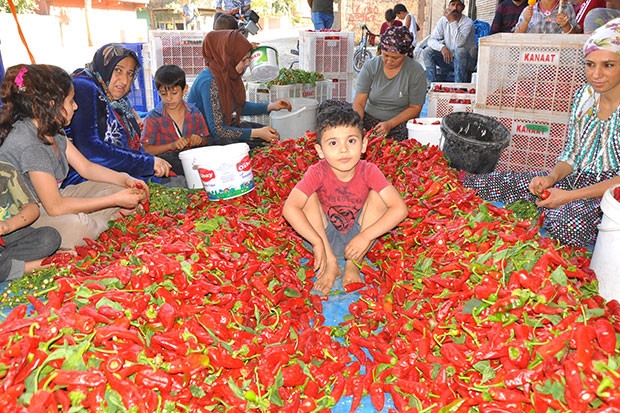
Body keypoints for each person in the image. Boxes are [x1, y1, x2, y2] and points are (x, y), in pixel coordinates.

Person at [462, 18, 620, 248]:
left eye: (608, 65)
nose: (596, 74)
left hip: (611, 193)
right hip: (577, 178)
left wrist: (568, 197)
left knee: (566, 222)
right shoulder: (585, 97)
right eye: (589, 64)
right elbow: (572, 153)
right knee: (491, 183)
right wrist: (551, 178)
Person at [0, 64, 149, 250]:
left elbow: (86, 167)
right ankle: (101, 222)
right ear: (53, 105)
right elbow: (55, 207)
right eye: (71, 101)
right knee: (78, 227)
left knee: (115, 187)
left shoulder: (52, 129)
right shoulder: (30, 144)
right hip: (27, 216)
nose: (76, 106)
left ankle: (100, 221)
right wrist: (115, 201)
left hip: (54, 199)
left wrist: (125, 179)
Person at [282, 105, 408, 295]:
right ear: (320, 150)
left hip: (360, 239)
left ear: (364, 145)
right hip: (324, 237)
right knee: (307, 198)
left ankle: (353, 264)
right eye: (333, 143)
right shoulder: (317, 171)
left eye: (351, 140)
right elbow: (289, 208)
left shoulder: (369, 171)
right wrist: (317, 243)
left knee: (379, 196)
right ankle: (331, 262)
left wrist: (365, 236)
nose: (343, 149)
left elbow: (400, 209)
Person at [66, 44, 173, 188]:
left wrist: (149, 161)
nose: (124, 81)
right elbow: (90, 150)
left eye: (130, 74)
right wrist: (147, 162)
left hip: (117, 173)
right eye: (118, 70)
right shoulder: (84, 86)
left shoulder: (118, 101)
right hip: (86, 179)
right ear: (105, 66)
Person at [187, 30, 292, 150]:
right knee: (256, 147)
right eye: (243, 60)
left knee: (272, 137)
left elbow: (238, 106)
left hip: (221, 129)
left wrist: (271, 106)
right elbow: (218, 131)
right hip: (204, 138)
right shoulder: (210, 82)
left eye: (248, 58)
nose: (247, 63)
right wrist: (257, 133)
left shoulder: (226, 74)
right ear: (228, 58)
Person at [352, 25, 427, 141]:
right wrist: (356, 126)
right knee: (331, 107)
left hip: (398, 123)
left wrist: (389, 124)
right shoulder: (370, 66)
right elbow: (359, 103)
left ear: (405, 54)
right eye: (385, 55)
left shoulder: (416, 72)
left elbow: (415, 107)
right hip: (369, 119)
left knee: (404, 137)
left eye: (395, 58)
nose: (389, 61)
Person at [141, 65, 209, 178]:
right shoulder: (153, 118)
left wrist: (199, 140)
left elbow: (206, 139)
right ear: (158, 92)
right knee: (169, 161)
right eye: (163, 94)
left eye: (174, 93)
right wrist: (171, 146)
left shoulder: (195, 113)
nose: (169, 98)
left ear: (185, 89)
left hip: (192, 162)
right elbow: (147, 149)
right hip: (168, 166)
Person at [0, 161, 61, 282]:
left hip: (12, 236)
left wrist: (8, 225)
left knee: (49, 237)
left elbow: (32, 209)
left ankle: (6, 264)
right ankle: (30, 266)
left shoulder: (6, 171)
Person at [422, 0, 478, 84]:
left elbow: (459, 43)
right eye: (453, 5)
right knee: (427, 51)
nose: (455, 8)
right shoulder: (443, 20)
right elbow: (431, 39)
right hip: (449, 60)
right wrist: (442, 48)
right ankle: (432, 86)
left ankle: (458, 88)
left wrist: (452, 21)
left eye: (458, 5)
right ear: (449, 7)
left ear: (463, 7)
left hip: (466, 62)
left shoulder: (467, 22)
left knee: (460, 52)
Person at [514, 0, 580, 33]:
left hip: (559, 56)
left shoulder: (567, 8)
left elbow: (575, 37)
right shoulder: (528, 10)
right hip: (533, 55)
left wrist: (566, 26)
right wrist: (525, 21)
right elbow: (515, 37)